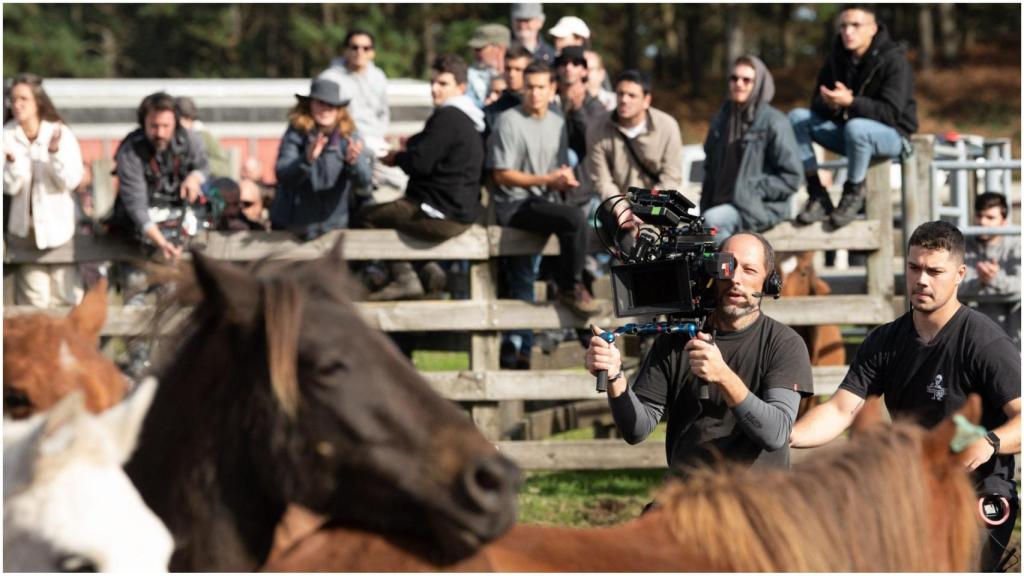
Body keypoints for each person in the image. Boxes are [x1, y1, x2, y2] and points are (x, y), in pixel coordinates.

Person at [790, 221, 1021, 573]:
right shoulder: (885, 341)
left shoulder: (984, 342)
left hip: (975, 492)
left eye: (934, 271)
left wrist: (989, 441)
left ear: (959, 274)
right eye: (914, 268)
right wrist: (786, 434)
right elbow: (840, 410)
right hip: (910, 489)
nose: (922, 280)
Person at [586, 232, 814, 475]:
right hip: (688, 500)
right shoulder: (675, 340)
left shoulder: (784, 344)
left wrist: (723, 375)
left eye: (749, 270)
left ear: (768, 283)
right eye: (727, 266)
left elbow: (775, 433)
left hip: (755, 503)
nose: (735, 278)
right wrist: (615, 378)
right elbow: (636, 430)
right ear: (712, 273)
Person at [488, 60, 598, 367]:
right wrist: (545, 180)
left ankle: (525, 345)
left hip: (544, 202)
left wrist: (564, 179)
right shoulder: (508, 120)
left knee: (575, 220)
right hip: (515, 204)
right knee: (569, 223)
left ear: (552, 90)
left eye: (540, 87)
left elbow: (559, 166)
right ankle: (568, 287)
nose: (534, 93)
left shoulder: (557, 121)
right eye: (529, 87)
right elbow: (501, 175)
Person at [354, 55, 485, 300]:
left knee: (367, 217)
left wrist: (397, 158)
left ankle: (405, 276)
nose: (435, 88)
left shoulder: (448, 116)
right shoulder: (471, 120)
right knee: (395, 214)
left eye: (443, 83)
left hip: (437, 212)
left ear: (461, 88)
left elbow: (420, 163)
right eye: (432, 82)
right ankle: (427, 271)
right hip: (458, 212)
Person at [791, 5, 917, 229]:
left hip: (895, 136)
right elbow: (816, 103)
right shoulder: (836, 58)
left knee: (857, 128)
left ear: (872, 28)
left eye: (855, 25)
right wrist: (832, 104)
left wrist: (851, 103)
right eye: (843, 26)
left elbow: (890, 113)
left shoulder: (894, 60)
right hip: (851, 134)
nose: (848, 31)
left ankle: (853, 193)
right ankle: (817, 193)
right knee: (797, 118)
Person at [700, 55, 803, 245]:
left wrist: (752, 189)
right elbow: (709, 169)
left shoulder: (774, 121)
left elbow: (792, 177)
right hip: (718, 205)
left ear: (759, 84)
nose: (739, 84)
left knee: (713, 221)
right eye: (734, 78)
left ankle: (729, 273)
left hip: (757, 208)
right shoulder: (720, 121)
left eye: (747, 80)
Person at [3, 73, 84, 308]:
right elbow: (9, 187)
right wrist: (13, 162)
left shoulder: (59, 133)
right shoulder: (6, 135)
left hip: (60, 232)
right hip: (24, 235)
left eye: (23, 99)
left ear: (38, 101)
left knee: (66, 299)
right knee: (34, 303)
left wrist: (55, 152)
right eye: (13, 99)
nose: (17, 105)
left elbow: (71, 180)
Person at [108, 91, 209, 264]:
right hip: (140, 231)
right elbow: (136, 206)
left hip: (181, 220)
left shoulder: (190, 140)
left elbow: (204, 166)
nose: (160, 133)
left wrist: (195, 177)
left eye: (166, 126)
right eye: (154, 126)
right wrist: (162, 243)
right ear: (143, 124)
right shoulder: (131, 152)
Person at [271, 78, 372, 241]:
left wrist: (353, 163)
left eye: (331, 105)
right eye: (320, 103)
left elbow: (364, 181)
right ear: (310, 104)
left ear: (339, 109)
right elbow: (282, 173)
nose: (325, 110)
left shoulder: (348, 136)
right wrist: (307, 159)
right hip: (294, 228)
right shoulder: (296, 133)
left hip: (333, 227)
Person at [584, 70, 683, 230]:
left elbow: (671, 176)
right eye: (620, 94)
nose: (624, 100)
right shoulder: (597, 129)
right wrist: (621, 208)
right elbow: (601, 180)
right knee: (626, 240)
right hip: (615, 206)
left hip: (658, 204)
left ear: (646, 100)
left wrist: (646, 208)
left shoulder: (667, 126)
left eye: (632, 95)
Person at [318, 30, 405, 192]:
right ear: (345, 50)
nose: (360, 52)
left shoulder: (378, 76)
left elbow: (383, 111)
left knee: (402, 180)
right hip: (345, 142)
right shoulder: (330, 78)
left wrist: (378, 137)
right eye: (354, 47)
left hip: (376, 142)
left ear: (373, 52)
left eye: (366, 48)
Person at [960, 192, 1020, 347]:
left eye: (990, 217)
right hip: (971, 337)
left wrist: (993, 279)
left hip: (1012, 337)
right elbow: (951, 288)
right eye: (979, 216)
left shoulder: (1017, 246)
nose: (983, 222)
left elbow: (1020, 287)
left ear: (1004, 222)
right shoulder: (962, 246)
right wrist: (981, 281)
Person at [554, 46, 607, 207]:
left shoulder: (595, 106)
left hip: (582, 195)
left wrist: (577, 110)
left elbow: (594, 140)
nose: (569, 68)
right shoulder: (548, 100)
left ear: (584, 71)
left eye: (575, 63)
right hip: (552, 190)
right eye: (564, 63)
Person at [174, 96, 230, 178]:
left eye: (185, 119)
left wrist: (199, 164)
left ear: (191, 119)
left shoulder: (204, 136)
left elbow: (223, 167)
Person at [484, 44, 533, 136]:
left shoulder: (539, 107)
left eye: (518, 69)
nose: (512, 74)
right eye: (508, 69)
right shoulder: (491, 112)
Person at [466, 24, 511, 109]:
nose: (475, 53)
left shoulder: (519, 74)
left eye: (479, 49)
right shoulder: (469, 77)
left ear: (498, 48)